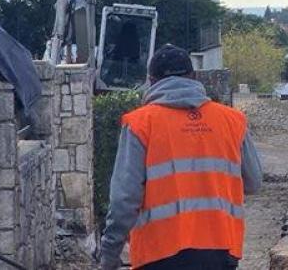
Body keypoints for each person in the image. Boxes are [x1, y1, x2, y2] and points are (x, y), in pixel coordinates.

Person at [100, 45, 262, 270]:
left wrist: (109, 253)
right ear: (194, 77)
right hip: (220, 250)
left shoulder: (140, 124)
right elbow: (254, 182)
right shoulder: (232, 120)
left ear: (151, 80)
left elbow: (125, 199)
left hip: (159, 254)